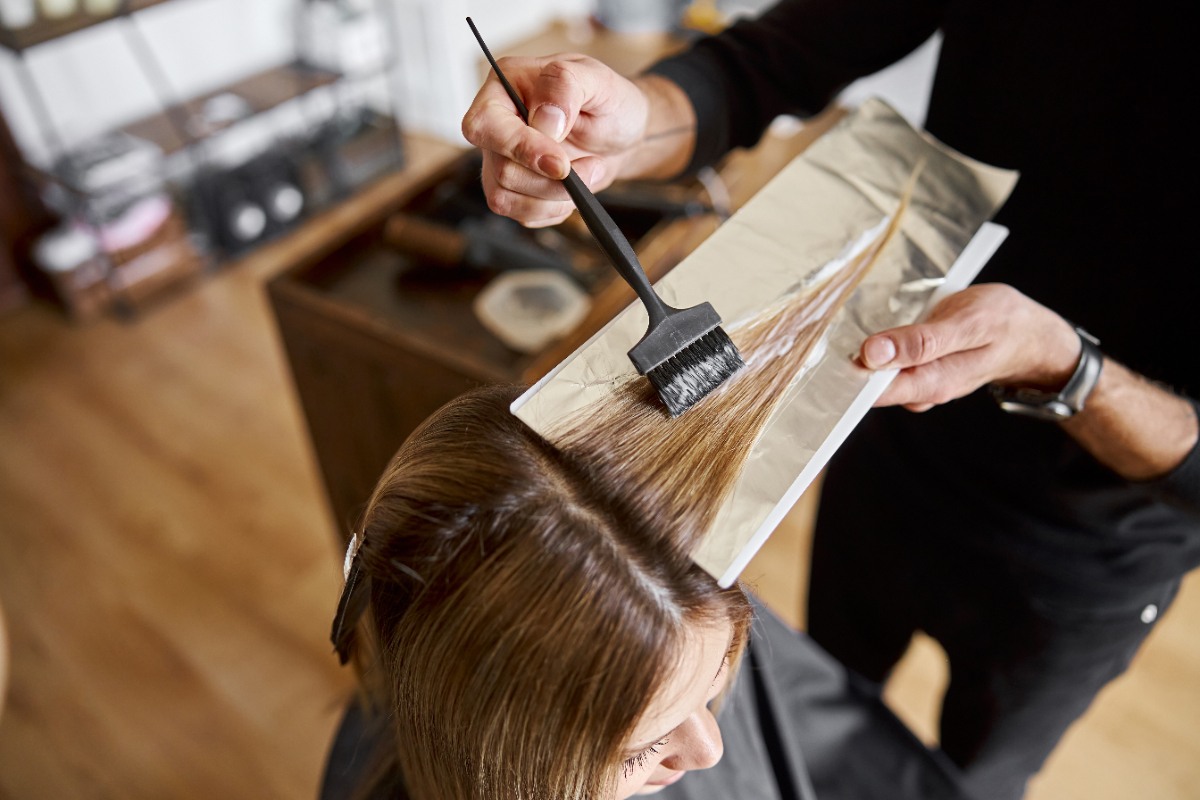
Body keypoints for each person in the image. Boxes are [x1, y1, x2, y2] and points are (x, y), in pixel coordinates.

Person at [460, 3, 1199, 799]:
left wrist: (1068, 368)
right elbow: (771, 61)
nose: (702, 751)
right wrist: (636, 126)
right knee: (812, 696)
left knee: (967, 781)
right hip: (880, 426)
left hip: (1088, 554)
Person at [326, 249, 981, 799]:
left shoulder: (672, 617)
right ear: (512, 746)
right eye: (640, 752)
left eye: (721, 676)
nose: (710, 749)